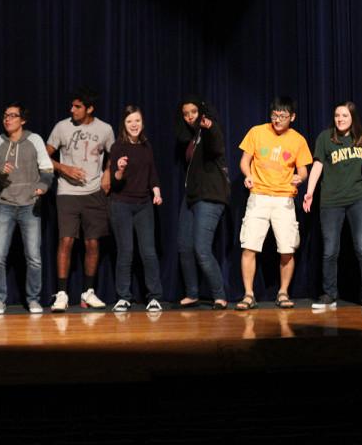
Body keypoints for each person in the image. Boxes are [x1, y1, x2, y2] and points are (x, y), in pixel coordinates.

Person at [303, 102, 362, 311]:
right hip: (330, 202)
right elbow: (317, 166)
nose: (340, 119)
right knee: (330, 251)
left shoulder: (360, 139)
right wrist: (309, 191)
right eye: (337, 115)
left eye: (344, 115)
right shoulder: (324, 138)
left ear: (352, 117)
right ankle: (329, 295)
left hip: (358, 199)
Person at [236, 96, 312, 310]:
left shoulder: (298, 140)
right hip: (258, 196)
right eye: (275, 115)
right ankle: (248, 294)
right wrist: (248, 175)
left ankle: (283, 292)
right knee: (249, 246)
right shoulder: (257, 132)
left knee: (287, 248)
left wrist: (300, 177)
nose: (278, 120)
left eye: (283, 116)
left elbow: (303, 169)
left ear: (292, 117)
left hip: (284, 199)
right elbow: (244, 161)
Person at [45, 87, 114, 312]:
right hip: (67, 192)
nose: (72, 110)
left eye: (77, 107)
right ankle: (62, 293)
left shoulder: (105, 129)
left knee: (92, 243)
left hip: (94, 192)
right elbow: (45, 154)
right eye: (72, 106)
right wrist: (63, 167)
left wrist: (107, 172)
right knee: (66, 241)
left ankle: (88, 292)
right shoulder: (61, 127)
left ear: (89, 109)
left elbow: (114, 155)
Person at [0, 103, 53, 314]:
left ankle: (33, 299)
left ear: (22, 120)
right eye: (5, 116)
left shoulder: (34, 140)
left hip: (29, 205)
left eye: (13, 116)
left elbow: (47, 169)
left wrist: (42, 187)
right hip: (4, 204)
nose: (7, 119)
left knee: (33, 257)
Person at [174, 96, 230, 310]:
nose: (189, 117)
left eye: (193, 112)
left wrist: (209, 127)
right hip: (191, 197)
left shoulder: (208, 129)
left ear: (202, 112)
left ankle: (219, 295)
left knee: (201, 249)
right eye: (186, 114)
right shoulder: (192, 137)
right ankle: (192, 293)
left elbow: (216, 147)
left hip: (209, 197)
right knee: (184, 246)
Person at [108, 105, 163, 312]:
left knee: (148, 252)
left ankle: (155, 296)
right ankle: (123, 297)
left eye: (137, 121)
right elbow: (115, 181)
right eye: (130, 121)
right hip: (121, 204)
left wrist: (156, 193)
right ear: (124, 124)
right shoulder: (117, 147)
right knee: (126, 252)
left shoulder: (146, 146)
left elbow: (152, 175)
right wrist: (120, 170)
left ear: (142, 123)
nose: (134, 125)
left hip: (144, 205)